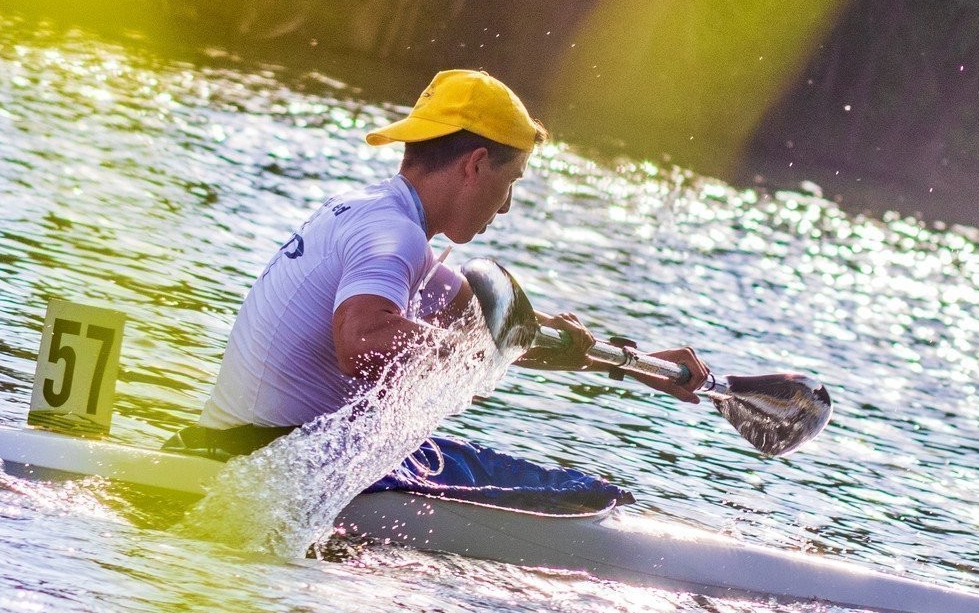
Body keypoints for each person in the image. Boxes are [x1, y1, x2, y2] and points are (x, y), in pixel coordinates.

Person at [168, 68, 709, 514]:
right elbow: (361, 341)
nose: (506, 206)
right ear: (475, 165)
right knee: (592, 499)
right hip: (268, 459)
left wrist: (634, 365)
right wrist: (471, 355)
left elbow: (497, 329)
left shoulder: (372, 212)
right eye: (512, 181)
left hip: (235, 445)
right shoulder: (392, 234)